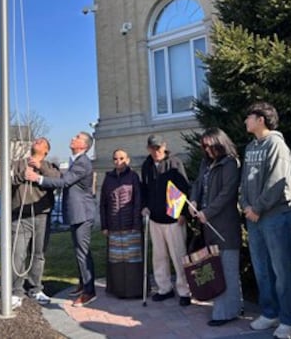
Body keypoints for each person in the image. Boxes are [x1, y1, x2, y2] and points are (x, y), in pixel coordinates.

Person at [240, 102, 291, 339]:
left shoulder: (277, 145)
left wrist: (258, 207)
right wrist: (245, 204)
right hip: (254, 217)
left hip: (275, 216)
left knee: (282, 269)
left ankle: (289, 319)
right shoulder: (250, 147)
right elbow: (244, 181)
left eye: (249, 117)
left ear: (261, 119)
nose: (246, 121)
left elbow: (278, 180)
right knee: (262, 268)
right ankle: (270, 313)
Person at [26, 131, 98, 307]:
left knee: (83, 252)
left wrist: (38, 178)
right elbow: (62, 177)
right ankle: (83, 283)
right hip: (77, 213)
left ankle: (89, 291)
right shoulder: (75, 160)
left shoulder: (82, 163)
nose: (73, 138)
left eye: (77, 137)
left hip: (83, 213)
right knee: (79, 252)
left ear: (84, 146)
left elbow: (64, 182)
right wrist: (41, 165)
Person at [188, 128, 243, 326]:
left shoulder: (230, 163)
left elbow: (228, 193)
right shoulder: (205, 163)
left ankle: (224, 313)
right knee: (217, 267)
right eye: (204, 146)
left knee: (227, 268)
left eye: (210, 145)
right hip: (207, 225)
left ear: (220, 143)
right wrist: (194, 201)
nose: (207, 149)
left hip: (224, 224)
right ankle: (234, 306)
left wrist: (208, 211)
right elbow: (197, 185)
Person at [9, 137, 61, 309]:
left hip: (41, 216)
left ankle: (36, 288)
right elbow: (8, 181)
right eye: (36, 140)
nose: (36, 141)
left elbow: (56, 181)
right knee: (18, 254)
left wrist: (39, 168)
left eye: (41, 141)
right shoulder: (18, 163)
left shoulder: (50, 166)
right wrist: (21, 176)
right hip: (20, 216)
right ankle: (16, 291)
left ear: (46, 150)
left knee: (38, 254)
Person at [140, 134, 192, 306]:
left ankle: (184, 290)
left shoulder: (174, 163)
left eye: (158, 148)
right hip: (155, 218)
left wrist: (183, 213)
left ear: (164, 146)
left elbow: (184, 188)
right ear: (148, 148)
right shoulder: (146, 165)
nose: (156, 152)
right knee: (159, 256)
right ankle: (164, 288)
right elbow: (145, 189)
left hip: (173, 219)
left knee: (178, 256)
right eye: (152, 148)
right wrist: (145, 205)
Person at [100, 148, 143, 298]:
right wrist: (104, 225)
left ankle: (134, 291)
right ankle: (117, 290)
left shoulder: (133, 177)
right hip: (113, 226)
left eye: (121, 158)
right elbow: (103, 203)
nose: (118, 161)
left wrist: (136, 224)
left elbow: (138, 201)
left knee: (132, 259)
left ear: (128, 160)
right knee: (116, 260)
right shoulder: (108, 178)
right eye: (115, 159)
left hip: (131, 225)